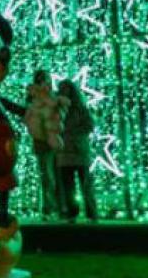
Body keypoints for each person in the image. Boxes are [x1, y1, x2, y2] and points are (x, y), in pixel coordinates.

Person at [22, 70, 62, 218]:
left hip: (54, 141)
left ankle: (54, 206)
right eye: (40, 80)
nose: (43, 83)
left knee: (52, 176)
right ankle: (49, 207)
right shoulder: (33, 99)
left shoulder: (52, 97)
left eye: (44, 80)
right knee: (47, 176)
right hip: (42, 142)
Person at [54, 79, 96, 221]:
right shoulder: (56, 109)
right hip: (64, 153)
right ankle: (72, 213)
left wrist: (72, 132)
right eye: (63, 89)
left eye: (67, 89)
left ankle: (91, 212)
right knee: (68, 186)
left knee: (86, 184)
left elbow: (89, 125)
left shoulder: (80, 108)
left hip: (80, 151)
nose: (65, 92)